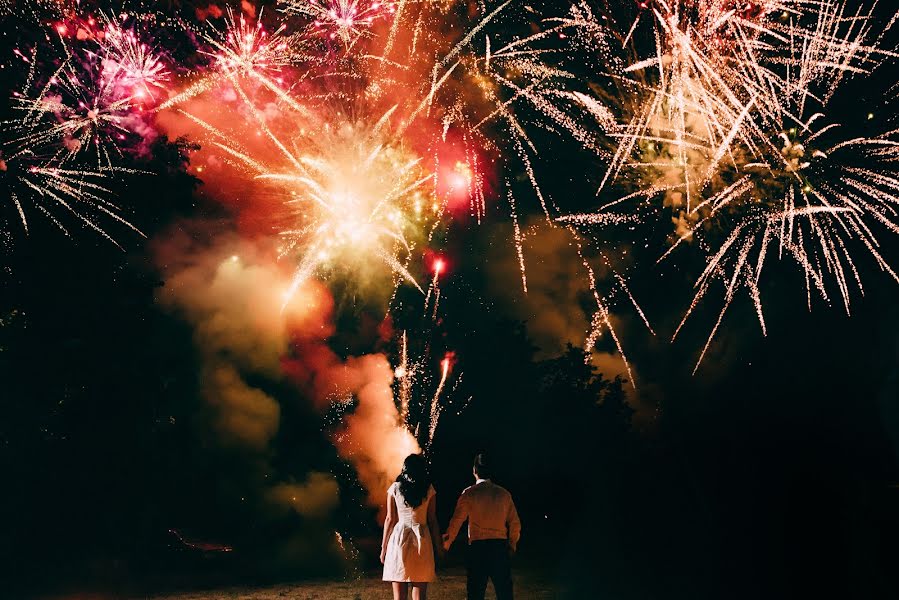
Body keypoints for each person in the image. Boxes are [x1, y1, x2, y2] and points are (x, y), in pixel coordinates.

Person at [443, 453, 521, 600]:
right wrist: (512, 544)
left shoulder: (469, 493)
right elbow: (515, 522)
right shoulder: (503, 494)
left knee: (475, 594)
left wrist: (446, 544)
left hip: (478, 549)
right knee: (504, 593)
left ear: (474, 470)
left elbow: (456, 521)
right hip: (499, 548)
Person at [382, 453, 442, 600]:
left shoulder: (395, 488)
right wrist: (438, 545)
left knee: (399, 595)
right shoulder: (428, 489)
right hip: (421, 537)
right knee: (419, 593)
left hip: (399, 537)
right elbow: (432, 520)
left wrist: (383, 547)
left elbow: (390, 518)